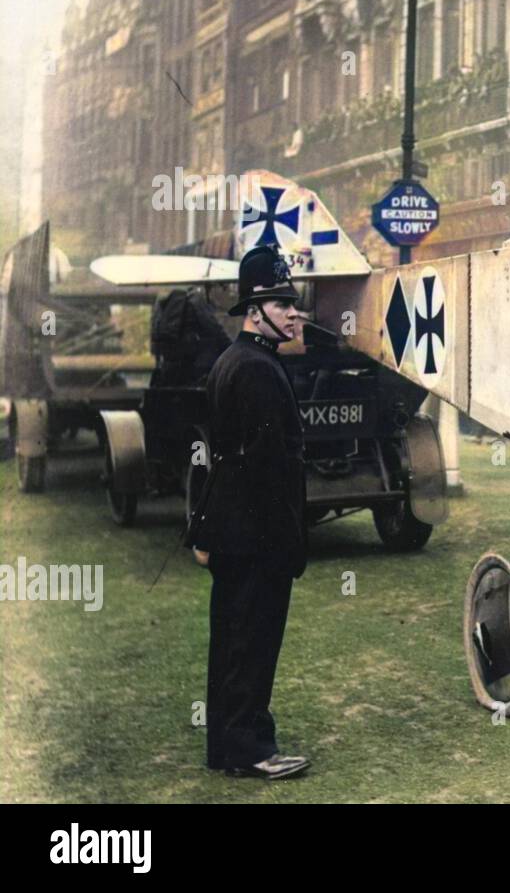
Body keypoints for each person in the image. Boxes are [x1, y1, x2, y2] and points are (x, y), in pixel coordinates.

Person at [196, 244, 310, 779]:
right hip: (256, 533)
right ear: (254, 310)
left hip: (231, 528)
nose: (293, 312)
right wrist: (287, 539)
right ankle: (252, 751)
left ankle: (226, 747)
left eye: (292, 302)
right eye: (280, 303)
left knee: (231, 641)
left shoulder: (230, 361)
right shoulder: (260, 369)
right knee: (254, 642)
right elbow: (271, 468)